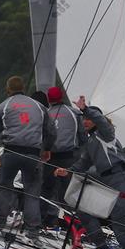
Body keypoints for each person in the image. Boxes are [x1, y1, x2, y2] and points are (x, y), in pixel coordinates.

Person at [54, 96, 125, 249]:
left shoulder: (106, 135)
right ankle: (102, 247)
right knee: (82, 209)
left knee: (119, 224)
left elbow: (101, 120)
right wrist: (66, 171)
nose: (85, 122)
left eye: (88, 119)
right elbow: (83, 164)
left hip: (122, 181)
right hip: (106, 182)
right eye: (84, 119)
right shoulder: (91, 141)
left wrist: (86, 109)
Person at [0, 76, 55, 237]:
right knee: (32, 193)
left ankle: (1, 224)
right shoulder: (39, 107)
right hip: (33, 155)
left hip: (11, 153)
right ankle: (33, 231)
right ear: (23, 88)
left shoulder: (3, 106)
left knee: (4, 188)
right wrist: (47, 149)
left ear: (8, 89)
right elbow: (51, 132)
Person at [41, 86, 86, 226]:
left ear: (49, 99)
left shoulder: (46, 113)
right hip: (69, 157)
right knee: (68, 192)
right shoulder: (74, 113)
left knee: (47, 189)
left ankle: (46, 221)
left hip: (50, 157)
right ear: (61, 97)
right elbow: (83, 137)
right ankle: (71, 226)